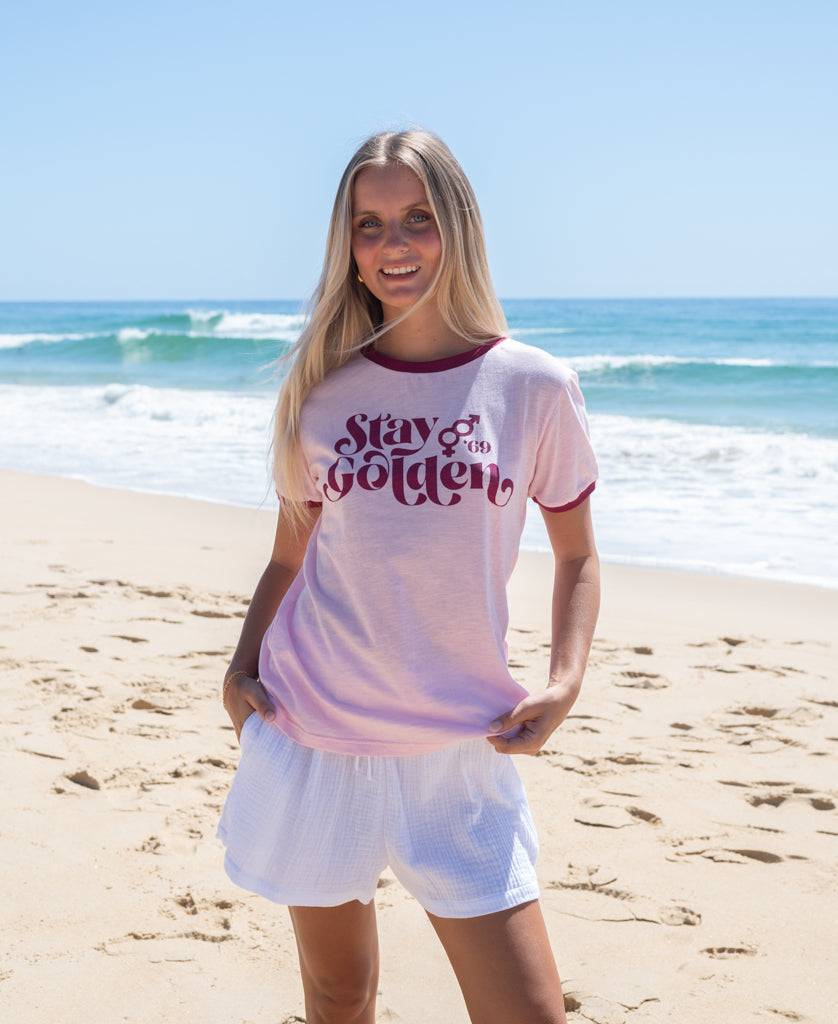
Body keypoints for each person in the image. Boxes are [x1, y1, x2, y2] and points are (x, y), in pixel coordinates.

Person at [217, 128, 599, 1024]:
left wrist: (565, 681)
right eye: (370, 224)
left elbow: (577, 553)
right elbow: (289, 557)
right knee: (339, 996)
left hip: (461, 745)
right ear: (347, 246)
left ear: (458, 225)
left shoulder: (534, 386)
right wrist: (239, 670)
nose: (394, 244)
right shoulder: (323, 391)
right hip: (317, 734)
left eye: (418, 219)